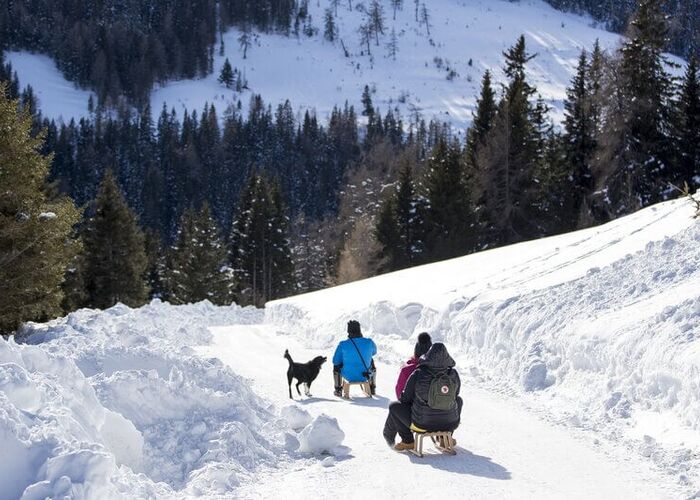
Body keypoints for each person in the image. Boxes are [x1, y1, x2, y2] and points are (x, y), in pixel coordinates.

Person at [383, 342, 463, 451]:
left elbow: (405, 398)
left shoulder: (419, 373)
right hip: (449, 423)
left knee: (394, 406)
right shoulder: (453, 374)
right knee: (459, 400)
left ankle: (408, 441)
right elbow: (456, 395)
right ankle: (444, 439)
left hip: (422, 424)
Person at [332, 320, 377, 397]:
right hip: (365, 375)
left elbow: (335, 361)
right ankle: (372, 388)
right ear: (360, 330)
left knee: (336, 366)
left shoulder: (343, 344)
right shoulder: (369, 342)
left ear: (348, 331)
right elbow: (374, 352)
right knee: (371, 361)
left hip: (348, 376)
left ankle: (338, 390)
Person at [395, 332, 432, 400]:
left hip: (413, 406)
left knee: (393, 405)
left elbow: (399, 394)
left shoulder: (406, 371)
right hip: (438, 406)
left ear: (416, 351)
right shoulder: (442, 370)